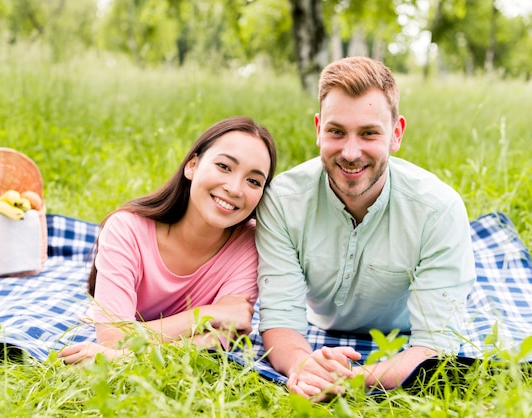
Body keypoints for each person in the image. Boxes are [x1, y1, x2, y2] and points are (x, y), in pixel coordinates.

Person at [255, 56, 476, 400]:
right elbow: (280, 318)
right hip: (317, 323)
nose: (351, 152)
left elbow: (436, 346)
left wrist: (352, 380)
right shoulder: (282, 201)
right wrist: (303, 366)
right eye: (336, 131)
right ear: (318, 130)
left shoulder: (439, 210)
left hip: (403, 334)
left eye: (369, 133)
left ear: (396, 133)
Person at [59, 116, 277, 364]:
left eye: (253, 181)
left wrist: (123, 357)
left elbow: (220, 339)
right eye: (224, 167)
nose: (235, 189)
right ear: (192, 165)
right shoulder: (126, 229)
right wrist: (207, 314)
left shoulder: (251, 243)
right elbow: (113, 338)